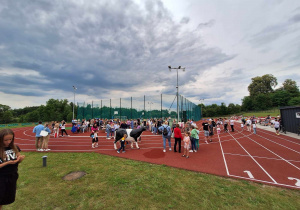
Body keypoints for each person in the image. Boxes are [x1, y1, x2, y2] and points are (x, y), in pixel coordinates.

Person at [0, 129, 25, 209]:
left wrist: (20, 159)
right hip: (1, 178)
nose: (8, 142)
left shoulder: (15, 147)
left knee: (5, 199)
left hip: (12, 177)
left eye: (10, 139)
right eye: (6, 140)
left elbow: (17, 161)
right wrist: (7, 163)